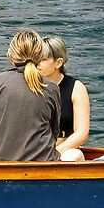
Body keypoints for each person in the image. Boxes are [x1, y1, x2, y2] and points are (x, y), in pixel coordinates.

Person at [0, 28, 61, 162]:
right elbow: (53, 133)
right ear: (39, 58)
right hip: (44, 164)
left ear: (11, 56)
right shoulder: (52, 87)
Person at [40, 34, 92, 162]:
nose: (37, 64)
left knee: (72, 156)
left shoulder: (76, 88)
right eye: (35, 59)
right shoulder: (30, 85)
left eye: (43, 60)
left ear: (58, 63)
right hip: (34, 148)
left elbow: (81, 134)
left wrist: (54, 153)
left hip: (65, 148)